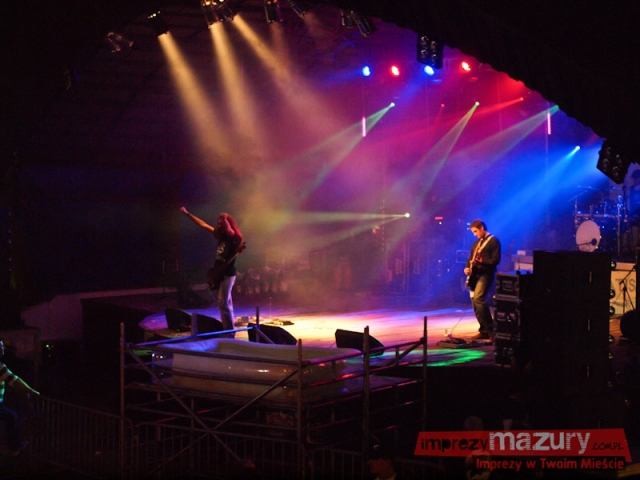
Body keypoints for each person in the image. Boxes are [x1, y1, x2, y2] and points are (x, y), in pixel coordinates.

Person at [181, 207, 245, 336]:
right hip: (219, 272)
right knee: (226, 303)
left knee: (223, 302)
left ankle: (229, 333)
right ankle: (230, 329)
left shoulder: (233, 237)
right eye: (218, 223)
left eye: (222, 223)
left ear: (228, 224)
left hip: (228, 274)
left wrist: (225, 217)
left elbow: (230, 231)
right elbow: (203, 224)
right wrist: (188, 214)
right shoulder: (220, 235)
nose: (219, 225)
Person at [0, 340, 40, 455]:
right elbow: (15, 380)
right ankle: (15, 447)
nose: (3, 349)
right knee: (12, 416)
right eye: (1, 347)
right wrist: (31, 391)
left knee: (10, 416)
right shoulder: (0, 367)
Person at [464, 219, 501, 341]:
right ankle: (484, 330)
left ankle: (491, 329)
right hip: (475, 275)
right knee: (474, 301)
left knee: (478, 298)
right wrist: (467, 268)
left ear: (482, 228)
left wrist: (482, 262)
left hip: (486, 274)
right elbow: (470, 258)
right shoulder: (476, 244)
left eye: (475, 231)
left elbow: (496, 260)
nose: (475, 234)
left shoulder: (493, 241)